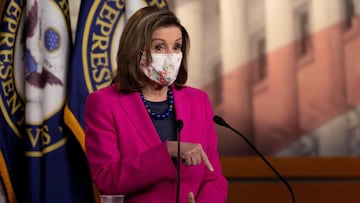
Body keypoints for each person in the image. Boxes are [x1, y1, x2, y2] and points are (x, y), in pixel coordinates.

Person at [84, 6, 228, 203]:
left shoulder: (198, 101)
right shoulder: (104, 103)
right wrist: (167, 151)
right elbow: (107, 179)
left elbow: (214, 179)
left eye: (176, 47)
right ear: (136, 51)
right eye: (159, 47)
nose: (170, 55)